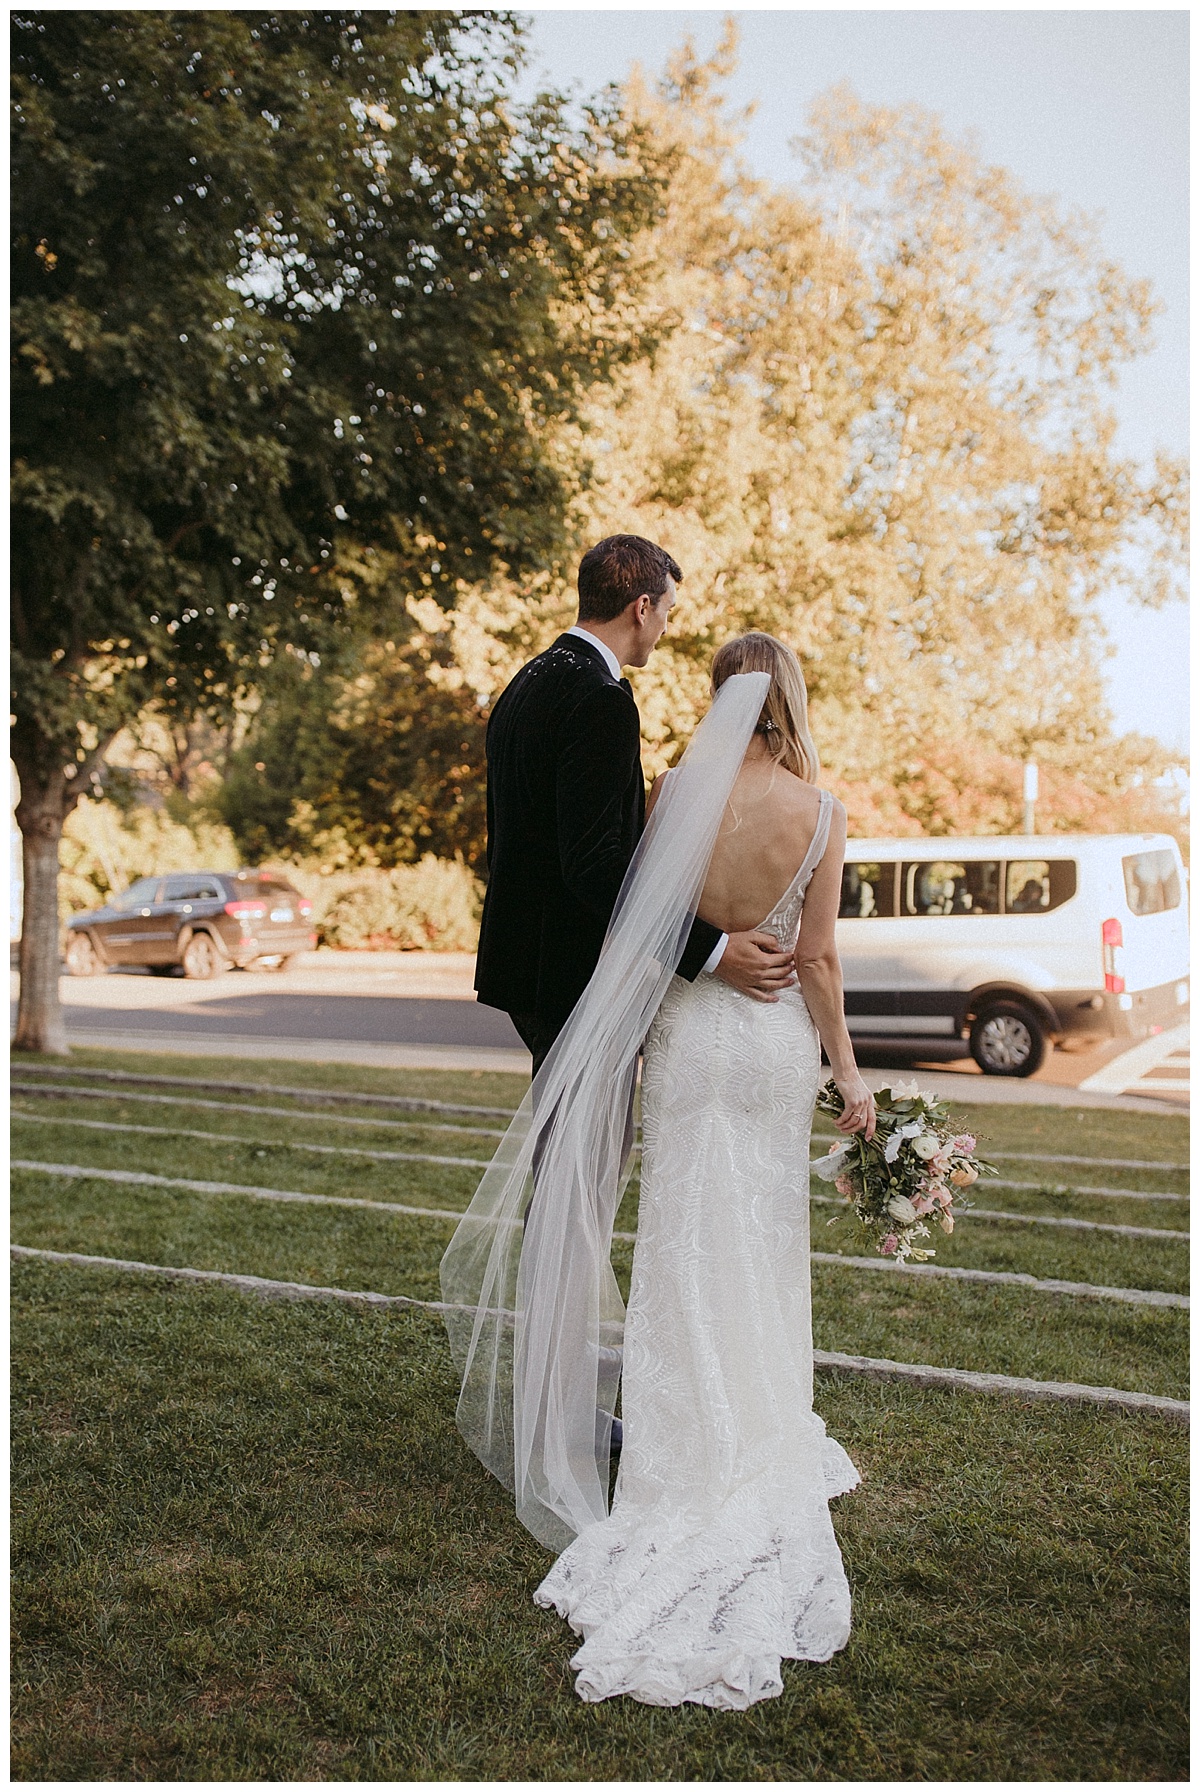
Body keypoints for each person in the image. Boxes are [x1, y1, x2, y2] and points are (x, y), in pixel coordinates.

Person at [441, 627, 875, 1712]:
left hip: (687, 1039)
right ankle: (761, 1422)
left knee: (678, 1232)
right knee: (765, 1242)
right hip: (772, 1047)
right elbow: (817, 959)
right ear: (793, 700)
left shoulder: (674, 788)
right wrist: (850, 1074)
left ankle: (676, 1449)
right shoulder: (822, 813)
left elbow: (640, 923)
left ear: (724, 699)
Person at [473, 535, 799, 1074]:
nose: (667, 627)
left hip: (524, 958)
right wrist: (712, 951)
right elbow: (595, 867)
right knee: (583, 1156)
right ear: (641, 608)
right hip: (573, 967)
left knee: (565, 1152)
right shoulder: (601, 698)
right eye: (668, 609)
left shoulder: (526, 682)